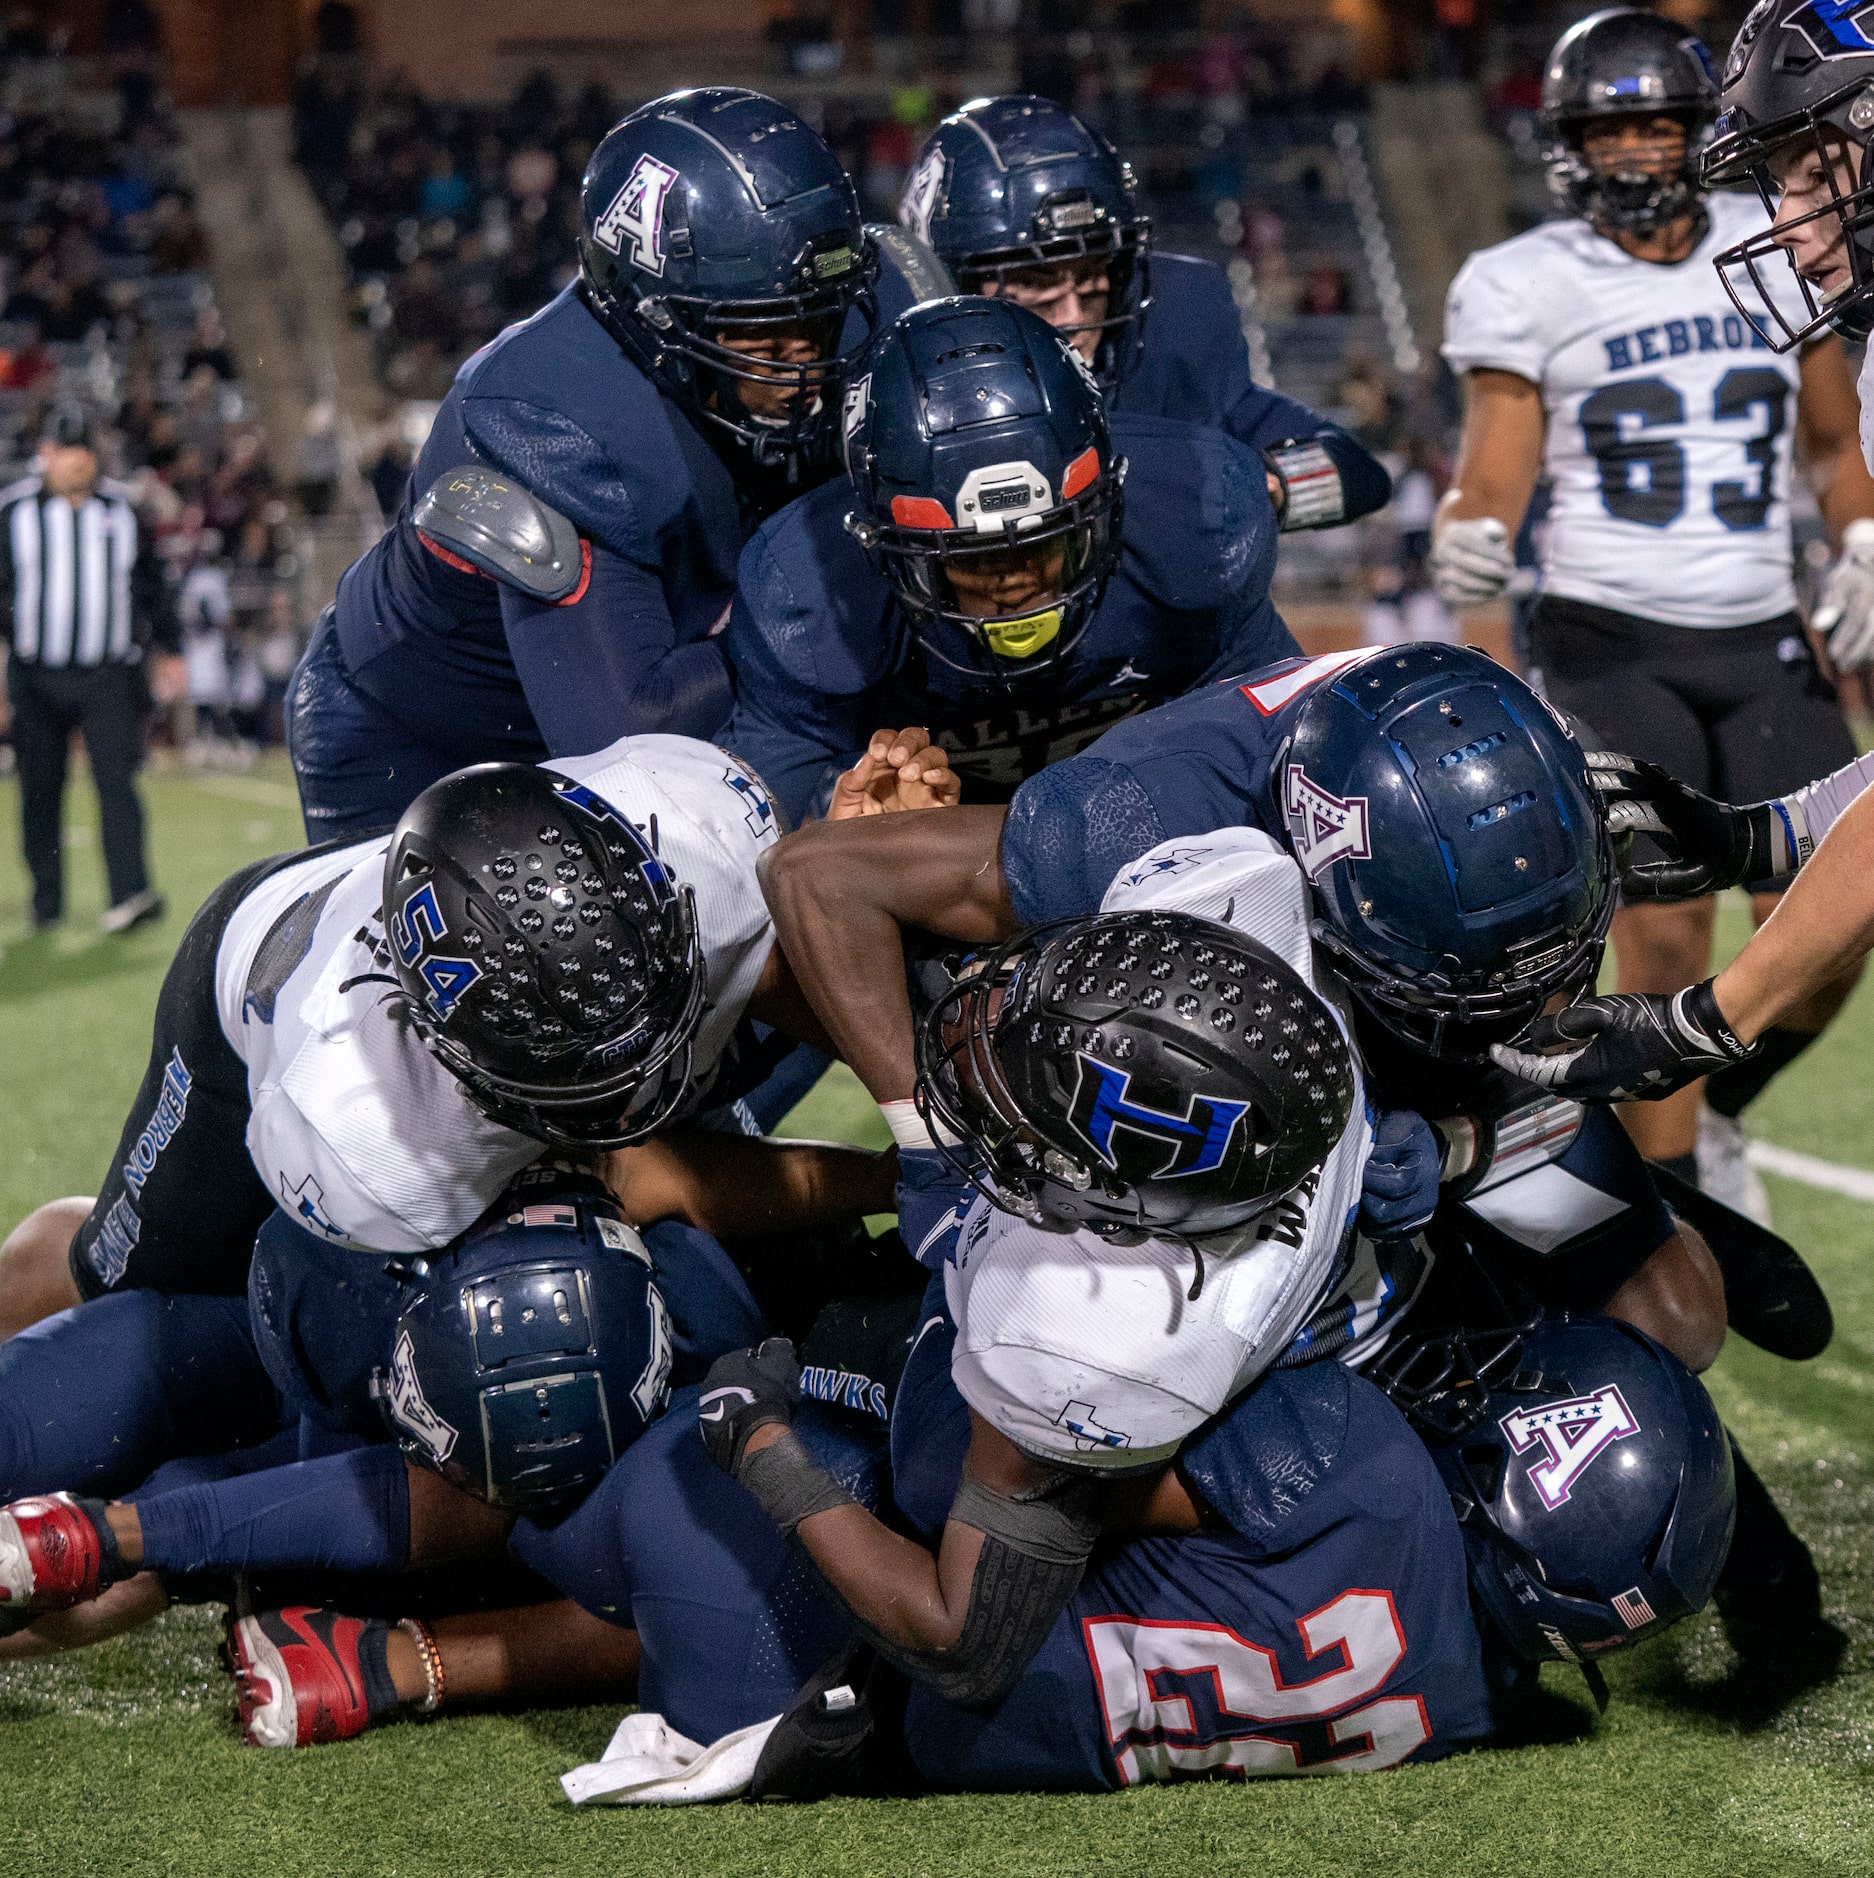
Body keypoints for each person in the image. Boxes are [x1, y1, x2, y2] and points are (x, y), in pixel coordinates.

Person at [1428, 8, 1874, 1219]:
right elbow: (1490, 484)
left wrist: (1704, 1030)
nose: (1638, 151)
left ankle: (1705, 1118)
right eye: (1611, 126)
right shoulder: (1527, 282)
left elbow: (1835, 453)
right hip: (1608, 634)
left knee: (1820, 925)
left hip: (1757, 626)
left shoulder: (1802, 262)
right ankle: (1671, 1197)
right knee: (1666, 921)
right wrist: (1470, 558)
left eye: (1658, 123)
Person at [0, 738, 856, 1356]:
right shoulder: (362, 1134)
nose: (640, 1093)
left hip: (485, 964)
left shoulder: (700, 822)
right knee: (130, 1292)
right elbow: (642, 1176)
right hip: (246, 999)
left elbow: (797, 948)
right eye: (591, 1082)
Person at [286, 88, 878, 842]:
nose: (807, 367)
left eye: (820, 319)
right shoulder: (552, 421)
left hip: (598, 696)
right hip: (414, 738)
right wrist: (819, 610)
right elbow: (622, 734)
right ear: (657, 316)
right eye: (761, 335)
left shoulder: (822, 311)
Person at [723, 296, 1298, 821]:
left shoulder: (1195, 518)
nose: (1015, 580)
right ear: (883, 545)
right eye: (972, 555)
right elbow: (761, 815)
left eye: (1041, 541)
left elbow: (1287, 746)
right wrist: (840, 812)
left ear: (1104, 507)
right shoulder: (805, 593)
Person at [890, 94, 1391, 536]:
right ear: (948, 282)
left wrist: (1270, 484)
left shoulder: (1164, 336)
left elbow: (1354, 469)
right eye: (1038, 285)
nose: (1073, 316)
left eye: (1091, 279)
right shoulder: (891, 385)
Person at [0, 402, 169, 934]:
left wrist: (171, 649)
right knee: (40, 788)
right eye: (66, 450)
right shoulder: (13, 514)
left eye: (84, 451)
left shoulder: (123, 512)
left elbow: (153, 588)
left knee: (118, 782)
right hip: (35, 675)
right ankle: (45, 899)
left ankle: (130, 893)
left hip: (107, 673)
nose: (77, 461)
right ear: (45, 455)